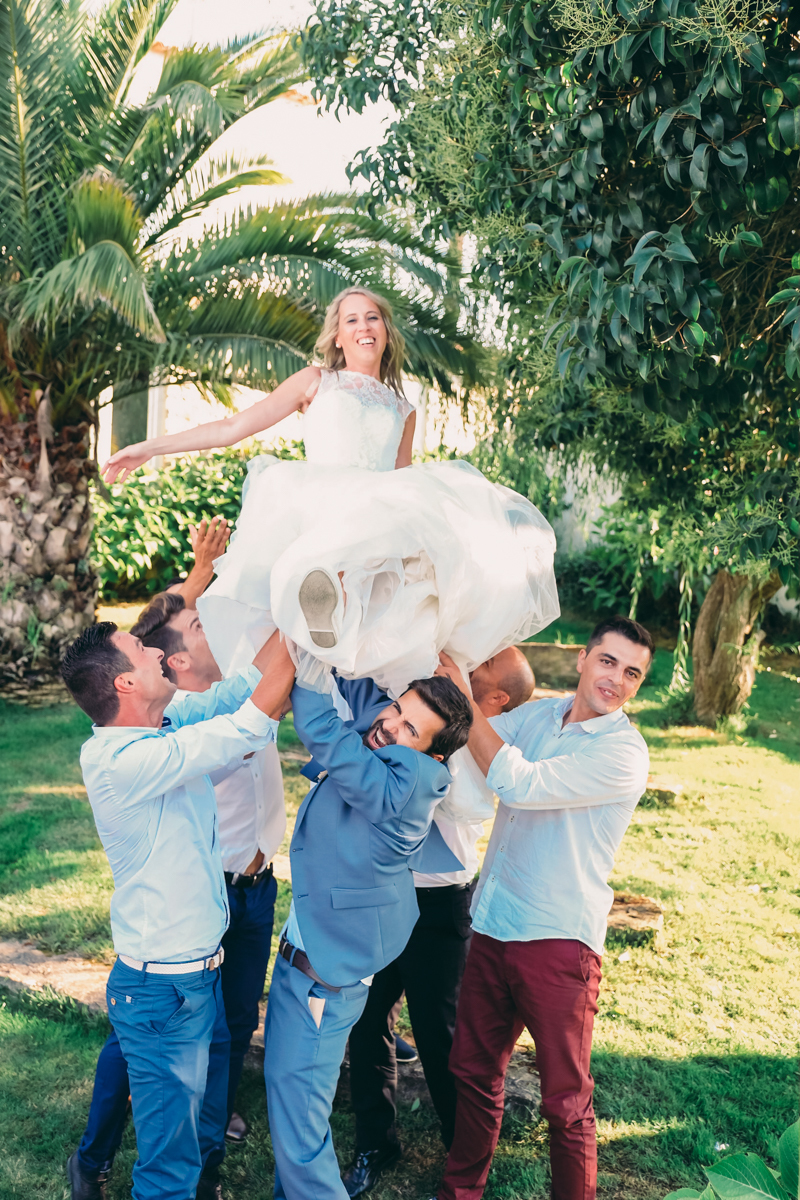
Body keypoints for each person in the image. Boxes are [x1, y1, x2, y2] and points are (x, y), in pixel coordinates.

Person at [101, 286, 559, 696]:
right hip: (317, 501)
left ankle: (335, 637)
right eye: (351, 320)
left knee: (395, 604)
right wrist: (149, 447)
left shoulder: (404, 408)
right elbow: (232, 427)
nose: (364, 327)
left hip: (374, 513)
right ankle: (298, 639)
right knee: (290, 590)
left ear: (386, 332)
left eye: (373, 318)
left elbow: (403, 480)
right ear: (338, 337)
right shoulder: (317, 381)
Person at [60, 620, 295, 1200]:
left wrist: (292, 614)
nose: (156, 651)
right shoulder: (122, 760)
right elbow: (247, 723)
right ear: (124, 684)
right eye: (141, 650)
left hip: (197, 976)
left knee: (197, 1137)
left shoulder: (160, 724)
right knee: (167, 1170)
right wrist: (315, 626)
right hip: (162, 993)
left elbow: (239, 690)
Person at [431, 616, 653, 1200]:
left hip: (558, 941)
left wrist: (463, 696)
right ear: (583, 659)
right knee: (473, 1073)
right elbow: (469, 740)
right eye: (608, 661)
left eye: (632, 673)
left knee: (565, 1103)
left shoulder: (624, 753)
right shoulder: (538, 717)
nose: (616, 680)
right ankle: (460, 1193)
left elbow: (518, 782)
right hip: (492, 923)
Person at [263, 663, 474, 1200]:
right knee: (292, 1113)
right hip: (307, 957)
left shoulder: (404, 788)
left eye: (410, 729)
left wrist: (305, 659)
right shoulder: (389, 743)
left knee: (301, 1132)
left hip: (321, 979)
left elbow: (325, 732)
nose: (390, 725)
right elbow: (361, 696)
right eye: (398, 709)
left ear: (432, 756)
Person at [344, 647, 535, 1197]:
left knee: (438, 1034)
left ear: (495, 696)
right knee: (366, 1021)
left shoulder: (494, 743)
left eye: (481, 667)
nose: (468, 664)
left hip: (437, 904)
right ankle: (375, 1141)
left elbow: (455, 800)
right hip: (382, 893)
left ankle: (461, 1153)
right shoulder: (427, 708)